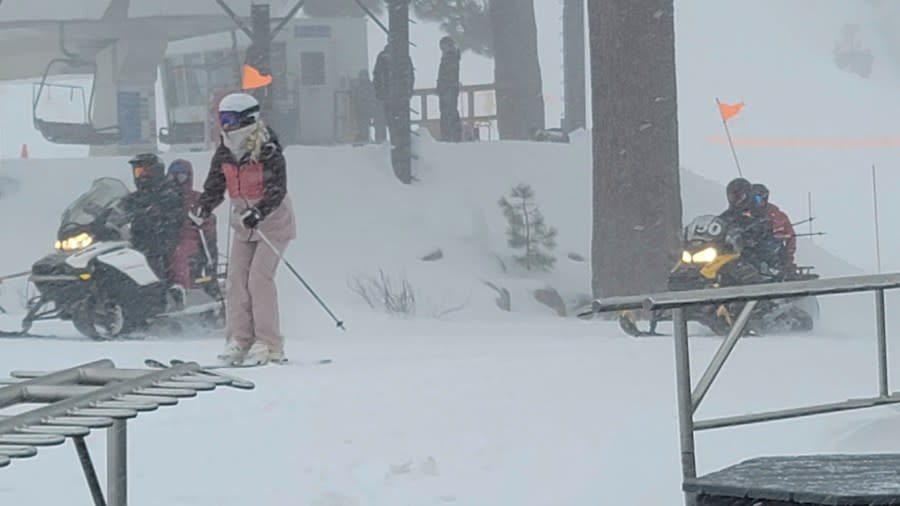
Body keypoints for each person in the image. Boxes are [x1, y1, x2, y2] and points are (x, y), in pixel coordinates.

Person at [191, 92, 297, 366]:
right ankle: (239, 339)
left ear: (246, 119)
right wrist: (204, 206)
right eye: (220, 120)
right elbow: (215, 185)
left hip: (273, 224)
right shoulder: (225, 150)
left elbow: (277, 188)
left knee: (258, 279)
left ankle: (269, 343)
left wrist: (258, 211)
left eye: (229, 120)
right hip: (243, 225)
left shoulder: (267, 148)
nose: (224, 126)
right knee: (236, 281)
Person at [122, 153, 185, 299]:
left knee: (153, 253)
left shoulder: (168, 192)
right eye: (138, 172)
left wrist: (154, 214)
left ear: (157, 172)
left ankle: (160, 293)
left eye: (146, 171)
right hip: (138, 238)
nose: (142, 176)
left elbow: (174, 215)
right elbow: (120, 211)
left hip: (162, 236)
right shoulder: (133, 197)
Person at [167, 159, 218, 297]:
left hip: (191, 239)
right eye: (172, 177)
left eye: (181, 177)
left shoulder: (196, 198)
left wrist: (200, 222)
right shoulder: (165, 198)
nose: (176, 181)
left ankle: (181, 288)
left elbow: (208, 221)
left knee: (179, 253)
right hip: (168, 236)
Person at [750, 183, 797, 273]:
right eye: (751, 199)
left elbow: (790, 236)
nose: (754, 202)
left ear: (765, 198)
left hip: (771, 251)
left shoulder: (777, 215)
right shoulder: (744, 213)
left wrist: (788, 256)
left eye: (757, 199)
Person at [436, 36, 462, 142]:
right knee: (449, 112)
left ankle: (449, 135)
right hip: (448, 89)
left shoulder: (450, 58)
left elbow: (447, 75)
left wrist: (442, 85)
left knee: (448, 112)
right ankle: (452, 135)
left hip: (448, 89)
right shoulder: (451, 57)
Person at [350, 69, 377, 143]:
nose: (361, 77)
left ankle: (364, 139)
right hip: (359, 109)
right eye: (361, 76)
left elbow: (372, 97)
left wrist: (371, 106)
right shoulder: (358, 86)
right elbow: (355, 97)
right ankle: (362, 138)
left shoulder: (370, 86)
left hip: (366, 109)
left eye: (363, 75)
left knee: (364, 125)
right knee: (360, 125)